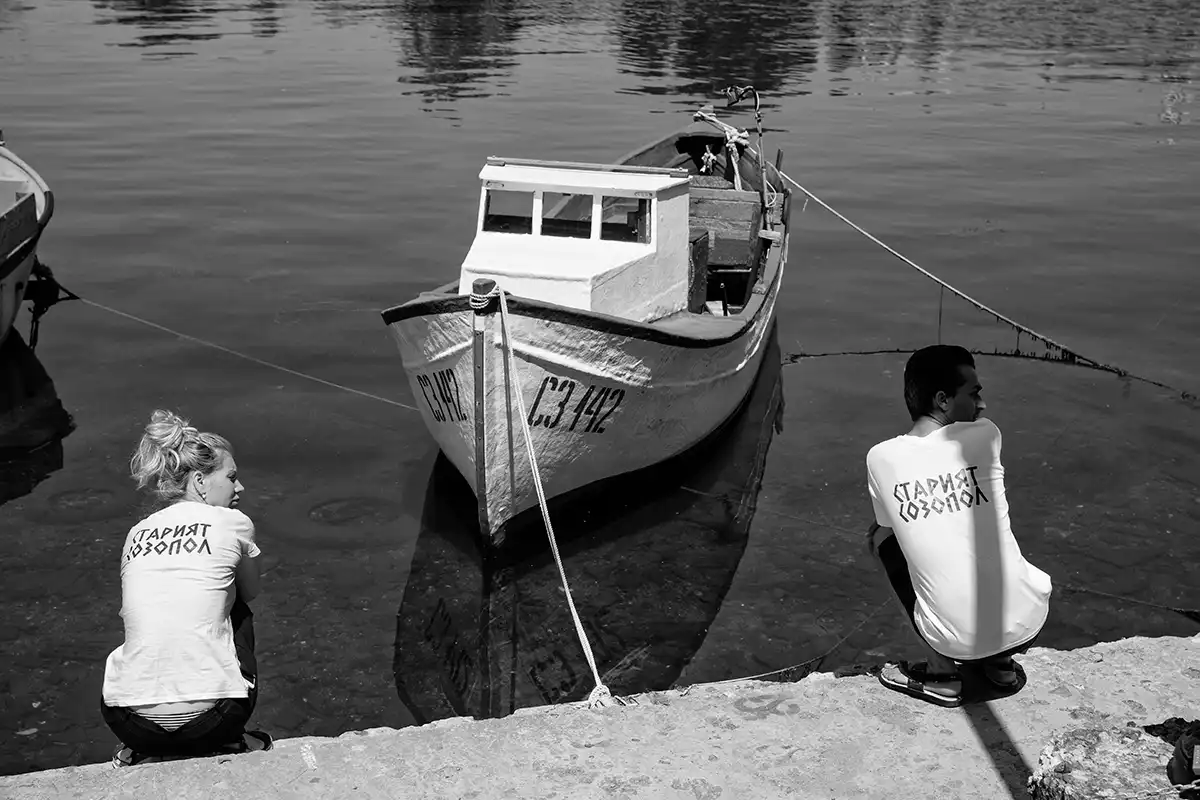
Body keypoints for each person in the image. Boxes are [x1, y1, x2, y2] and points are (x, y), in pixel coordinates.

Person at [865, 345, 1052, 707]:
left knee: (883, 541)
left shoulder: (881, 457)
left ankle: (941, 674)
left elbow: (887, 528)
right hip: (1029, 622)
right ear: (942, 400)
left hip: (957, 642)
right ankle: (1000, 666)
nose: (981, 404)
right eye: (974, 393)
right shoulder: (986, 436)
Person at [101, 409, 271, 765]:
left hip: (127, 721)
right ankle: (232, 741)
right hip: (215, 721)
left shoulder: (138, 531)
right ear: (199, 481)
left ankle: (144, 749)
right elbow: (252, 590)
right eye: (231, 477)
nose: (240, 487)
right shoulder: (232, 521)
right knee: (237, 605)